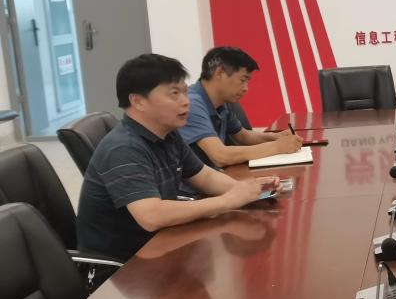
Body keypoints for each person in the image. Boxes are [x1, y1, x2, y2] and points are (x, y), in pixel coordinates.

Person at [77, 54, 279, 262]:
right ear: (138, 101)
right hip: (123, 265)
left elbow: (204, 177)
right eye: (174, 94)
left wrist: (246, 190)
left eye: (185, 92)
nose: (185, 101)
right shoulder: (123, 148)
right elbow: (151, 216)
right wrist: (228, 200)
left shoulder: (168, 134)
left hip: (158, 245)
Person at [179, 46, 302, 168]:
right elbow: (220, 156)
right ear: (219, 73)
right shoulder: (191, 104)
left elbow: (242, 137)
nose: (245, 88)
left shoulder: (222, 102)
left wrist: (276, 137)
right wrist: (277, 147)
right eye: (242, 80)